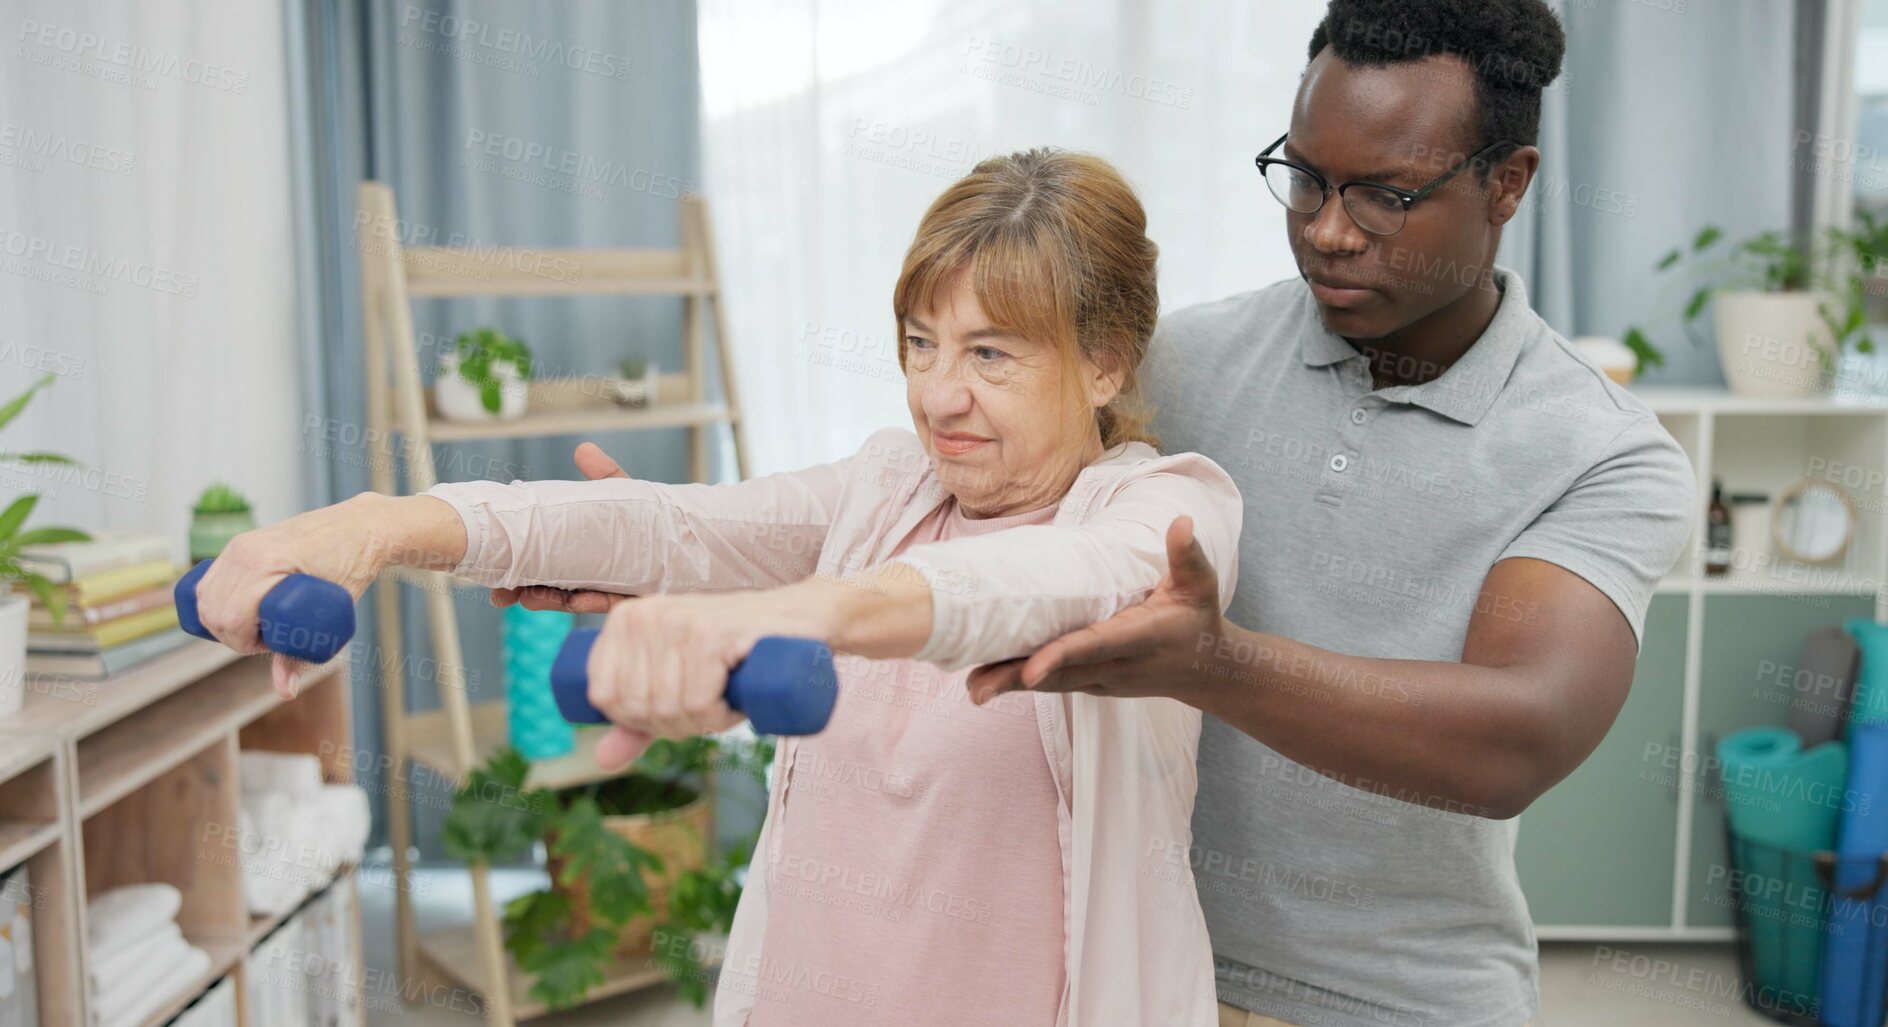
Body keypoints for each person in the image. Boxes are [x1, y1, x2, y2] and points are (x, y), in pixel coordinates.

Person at [192, 149, 1241, 1026]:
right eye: (921, 344)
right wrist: (374, 528)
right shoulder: (887, 484)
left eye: (991, 354)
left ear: (1105, 361)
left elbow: (1026, 587)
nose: (938, 393)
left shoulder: (1164, 518)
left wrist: (770, 613)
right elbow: (667, 523)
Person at [951, 3, 1696, 1025]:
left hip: (1408, 998)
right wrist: (671, 539)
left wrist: (1218, 664)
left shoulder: (1600, 450)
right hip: (1141, 966)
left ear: (1507, 184)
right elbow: (962, 498)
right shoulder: (1181, 364)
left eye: (1389, 195)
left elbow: (1515, 739)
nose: (1329, 231)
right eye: (1305, 179)